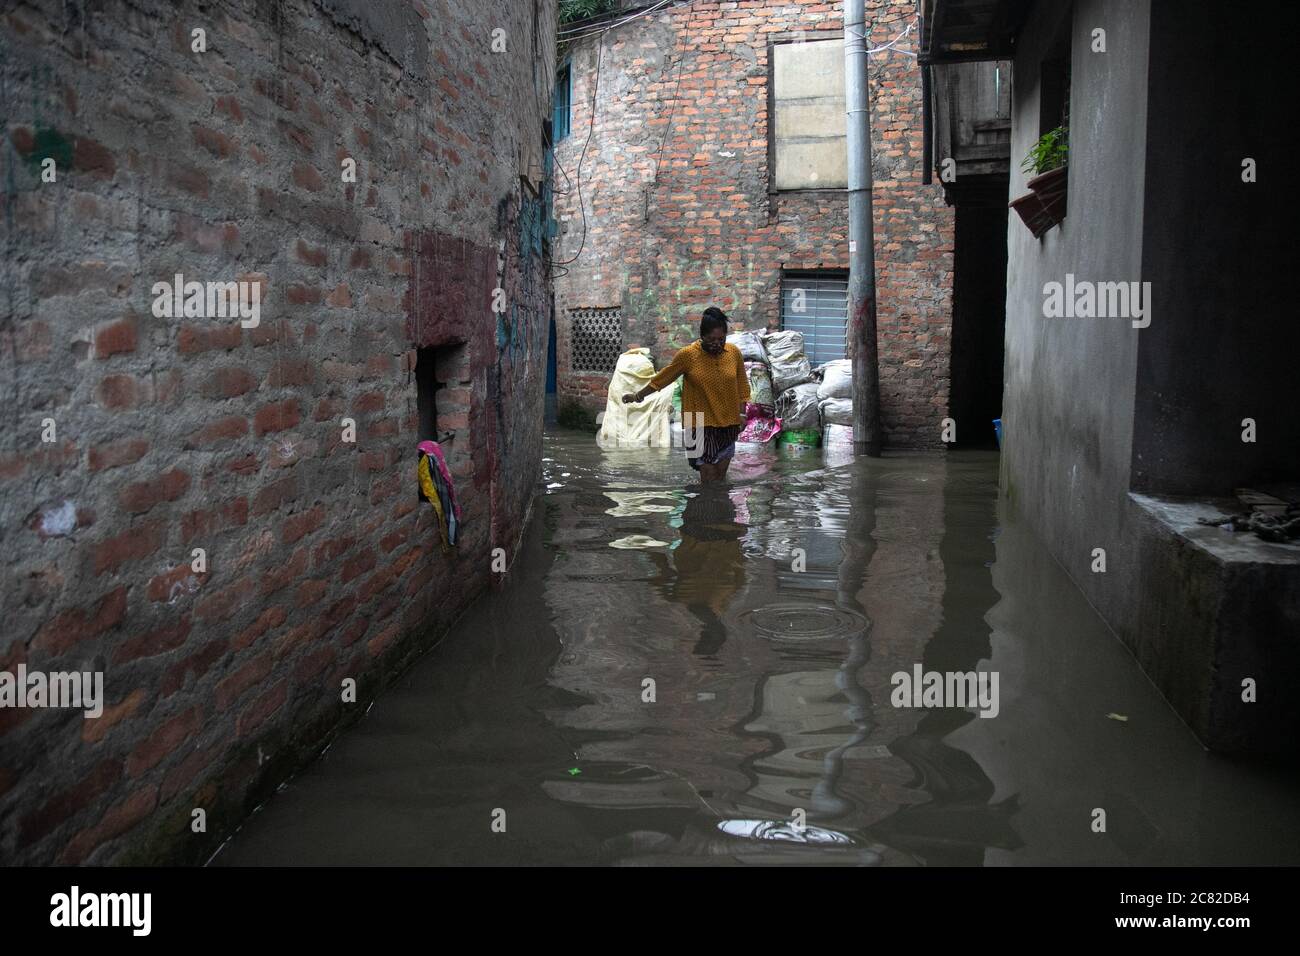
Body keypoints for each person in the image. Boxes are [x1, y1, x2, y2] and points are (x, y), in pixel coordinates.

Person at [623, 306, 750, 483]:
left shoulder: (733, 353)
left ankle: (718, 509)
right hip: (697, 423)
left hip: (728, 423)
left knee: (720, 478)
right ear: (702, 335)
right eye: (711, 339)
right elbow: (663, 379)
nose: (717, 344)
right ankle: (701, 508)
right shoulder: (688, 355)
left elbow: (742, 386)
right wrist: (638, 396)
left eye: (721, 339)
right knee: (708, 478)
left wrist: (742, 414)